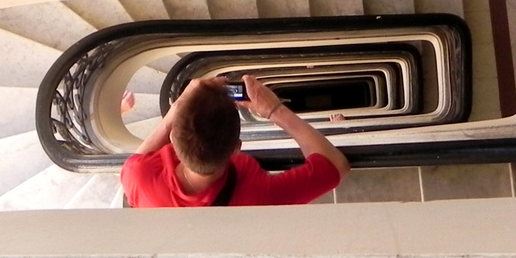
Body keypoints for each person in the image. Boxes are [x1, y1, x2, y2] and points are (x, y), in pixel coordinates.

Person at [119, 75, 349, 207]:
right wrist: (274, 109)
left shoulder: (139, 177)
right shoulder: (255, 194)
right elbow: (335, 165)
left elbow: (141, 157)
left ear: (171, 138)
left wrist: (179, 106)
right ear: (236, 150)